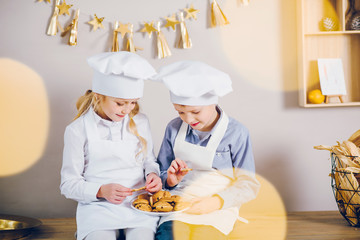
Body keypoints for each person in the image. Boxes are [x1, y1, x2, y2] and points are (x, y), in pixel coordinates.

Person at [60, 51, 162, 240]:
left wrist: (153, 174)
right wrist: (100, 191)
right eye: (120, 103)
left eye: (133, 103)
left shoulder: (140, 122)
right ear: (99, 96)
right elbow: (68, 184)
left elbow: (149, 161)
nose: (127, 109)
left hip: (138, 205)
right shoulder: (77, 130)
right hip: (97, 208)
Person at [153, 61, 260, 240]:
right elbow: (161, 172)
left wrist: (216, 202)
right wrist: (169, 181)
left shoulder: (236, 133)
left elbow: (248, 184)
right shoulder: (173, 128)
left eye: (195, 111)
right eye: (180, 112)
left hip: (218, 207)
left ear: (212, 102)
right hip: (180, 203)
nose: (187, 119)